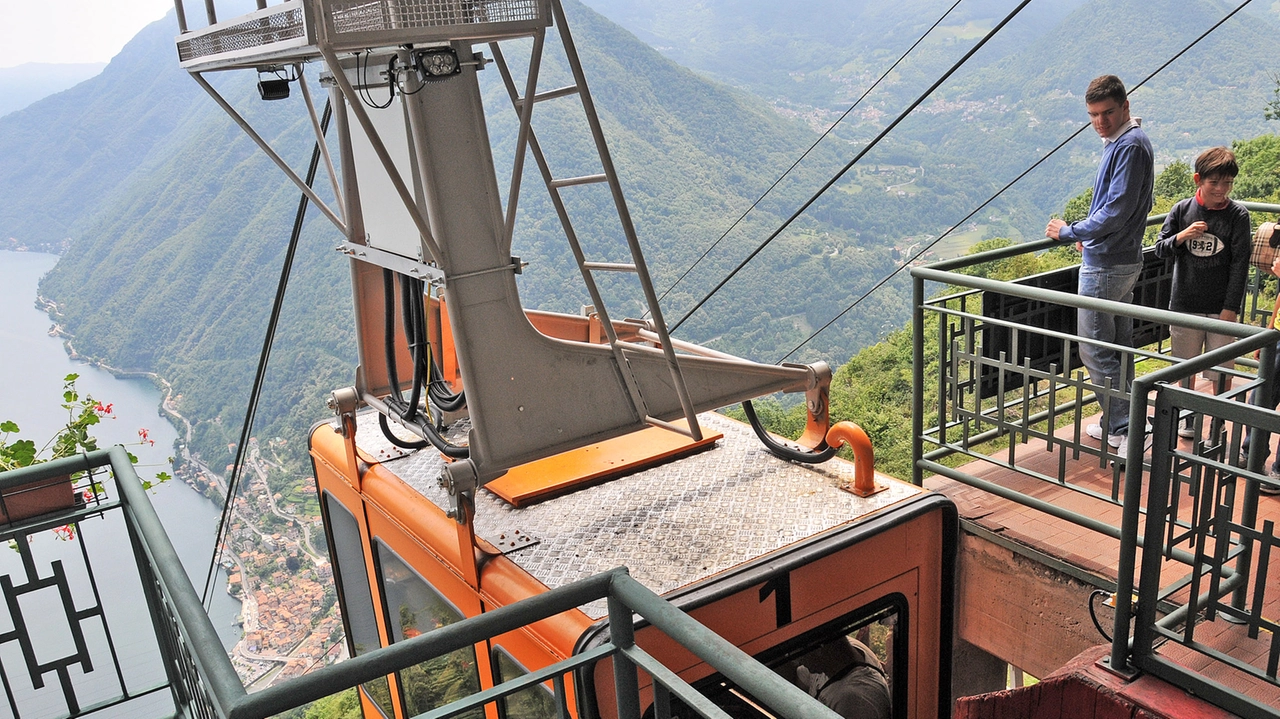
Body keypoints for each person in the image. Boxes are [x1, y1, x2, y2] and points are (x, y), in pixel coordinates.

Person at [1045, 74, 1154, 455]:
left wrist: (1071, 231)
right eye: (1093, 115)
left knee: (1093, 348)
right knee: (1118, 346)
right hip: (1119, 259)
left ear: (1125, 106)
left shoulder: (1129, 145)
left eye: (1107, 112)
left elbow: (1117, 210)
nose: (1100, 122)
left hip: (1108, 266)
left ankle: (1129, 428)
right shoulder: (1125, 142)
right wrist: (1089, 237)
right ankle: (1121, 421)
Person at [1153, 146, 1251, 437]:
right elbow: (1160, 249)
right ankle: (1189, 417)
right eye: (1214, 183)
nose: (1222, 189)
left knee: (1222, 368)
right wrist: (1182, 237)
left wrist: (1231, 307)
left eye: (1228, 183)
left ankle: (1218, 421)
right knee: (1186, 366)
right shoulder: (1182, 210)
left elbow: (1240, 264)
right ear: (1198, 179)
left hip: (1221, 305)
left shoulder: (1238, 215)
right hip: (1185, 302)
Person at [793, 638, 891, 719]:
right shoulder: (842, 653)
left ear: (819, 650)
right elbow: (801, 681)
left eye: (801, 655)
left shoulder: (855, 701)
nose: (798, 661)